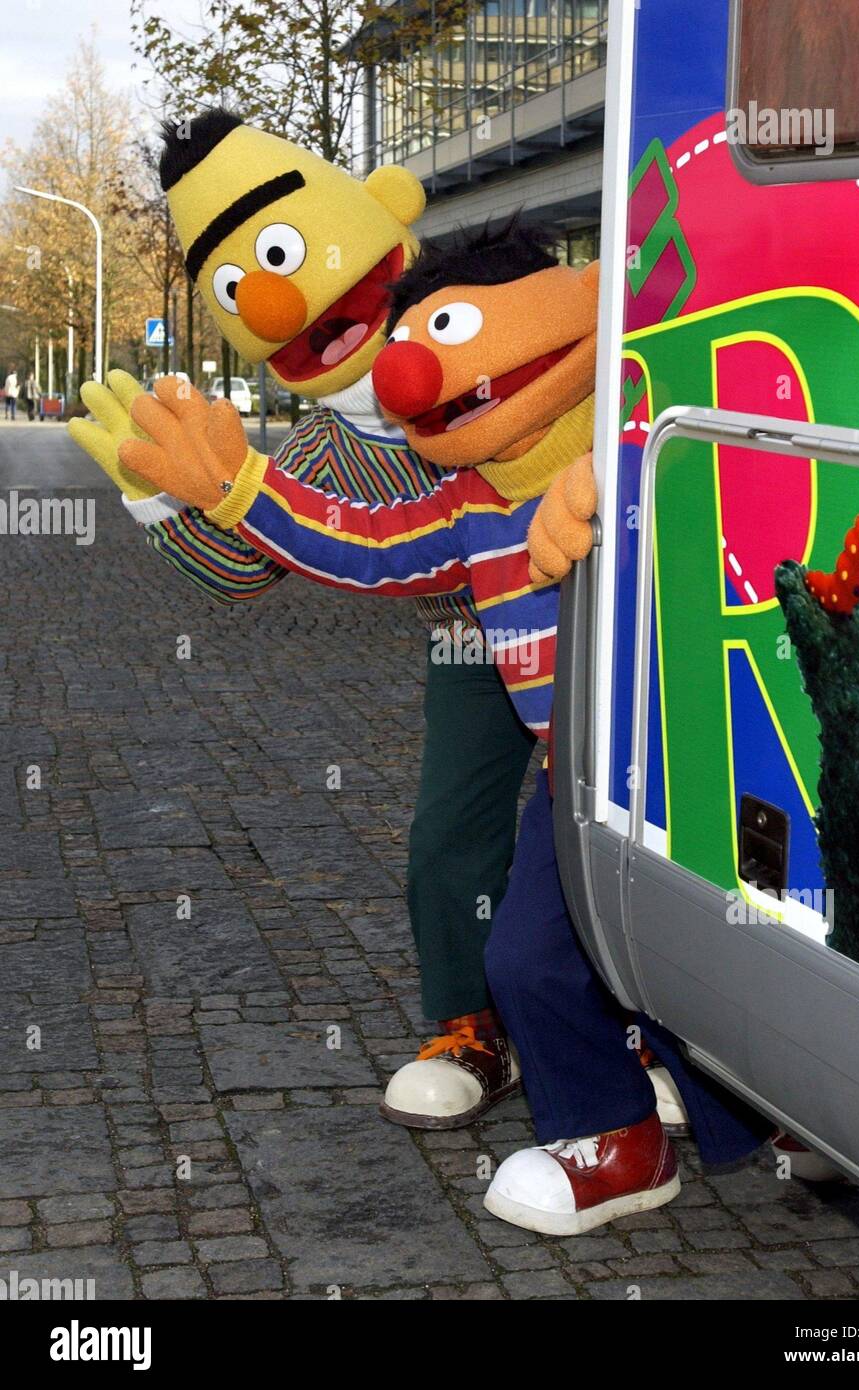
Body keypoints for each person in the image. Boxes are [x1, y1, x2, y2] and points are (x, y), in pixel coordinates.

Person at [111, 222, 775, 1232]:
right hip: (581, 769)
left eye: (450, 332)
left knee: (716, 944)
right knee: (544, 954)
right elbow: (365, 545)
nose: (415, 376)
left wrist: (611, 482)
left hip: (709, 742)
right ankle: (617, 1134)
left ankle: (772, 1107)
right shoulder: (468, 501)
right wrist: (240, 487)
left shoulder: (643, 427)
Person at [67, 112, 538, 1130]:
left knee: (619, 823)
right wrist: (163, 500)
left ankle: (674, 1038)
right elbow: (247, 566)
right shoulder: (324, 449)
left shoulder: (474, 303)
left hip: (610, 600)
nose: (286, 302)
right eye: (247, 289)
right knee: (449, 834)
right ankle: (468, 1025)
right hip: (479, 632)